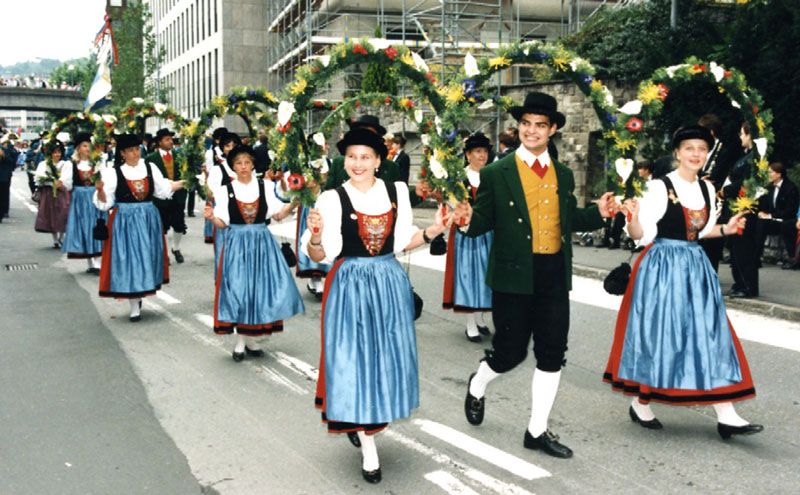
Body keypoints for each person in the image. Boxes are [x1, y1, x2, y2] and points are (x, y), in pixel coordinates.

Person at [454, 92, 614, 459]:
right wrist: (464, 220)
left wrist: (599, 213)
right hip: (513, 276)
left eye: (540, 125)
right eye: (526, 124)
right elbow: (481, 223)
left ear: (552, 129)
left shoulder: (562, 173)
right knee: (509, 354)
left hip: (553, 272)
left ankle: (536, 430)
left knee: (552, 354)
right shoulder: (497, 173)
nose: (532, 131)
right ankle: (479, 382)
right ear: (519, 127)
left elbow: (569, 217)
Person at [301, 127, 450, 484]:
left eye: (365, 156)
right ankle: (369, 447)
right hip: (350, 284)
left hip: (387, 282)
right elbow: (317, 254)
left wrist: (434, 231)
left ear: (379, 161)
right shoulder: (332, 199)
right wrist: (317, 236)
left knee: (384, 358)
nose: (357, 163)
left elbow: (402, 242)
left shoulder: (395, 192)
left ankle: (364, 421)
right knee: (355, 359)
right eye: (351, 156)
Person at [603, 125, 763, 440]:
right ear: (677, 152)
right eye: (689, 148)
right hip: (661, 268)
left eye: (701, 149)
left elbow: (700, 232)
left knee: (711, 334)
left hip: (696, 268)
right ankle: (640, 401)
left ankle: (726, 413)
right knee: (660, 336)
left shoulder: (706, 189)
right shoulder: (658, 188)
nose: (696, 154)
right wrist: (632, 216)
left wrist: (726, 229)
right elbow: (640, 236)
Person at [204, 145, 303, 361]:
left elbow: (277, 214)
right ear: (233, 167)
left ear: (252, 165)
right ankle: (241, 342)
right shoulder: (225, 190)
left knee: (259, 290)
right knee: (239, 290)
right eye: (239, 163)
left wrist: (295, 201)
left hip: (261, 243)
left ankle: (251, 340)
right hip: (237, 244)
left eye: (247, 162)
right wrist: (211, 217)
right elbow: (223, 223)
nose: (243, 167)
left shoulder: (265, 187)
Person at [93, 134, 184, 322]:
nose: (135, 153)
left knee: (147, 257)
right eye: (130, 151)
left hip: (148, 218)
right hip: (125, 221)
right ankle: (134, 304)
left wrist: (186, 182)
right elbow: (105, 203)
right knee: (131, 259)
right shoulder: (114, 172)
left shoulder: (150, 167)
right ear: (123, 154)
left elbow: (163, 190)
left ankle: (139, 294)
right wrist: (100, 190)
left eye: (137, 149)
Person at [443, 132, 494, 342]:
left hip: (490, 233)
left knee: (485, 278)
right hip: (467, 234)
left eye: (484, 151)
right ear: (468, 154)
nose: (482, 156)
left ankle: (480, 318)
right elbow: (451, 204)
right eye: (477, 152)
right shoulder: (459, 179)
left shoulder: (493, 175)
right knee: (468, 277)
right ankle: (470, 323)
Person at [60, 132, 104, 272]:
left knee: (97, 227)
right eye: (84, 146)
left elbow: (104, 180)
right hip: (80, 201)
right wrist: (60, 184)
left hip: (94, 198)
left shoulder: (97, 163)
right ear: (78, 148)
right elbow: (67, 184)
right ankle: (91, 262)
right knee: (84, 229)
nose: (87, 148)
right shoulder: (71, 165)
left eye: (89, 146)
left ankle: (97, 261)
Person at [725, 122, 758, 298]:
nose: (740, 137)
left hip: (746, 206)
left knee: (745, 247)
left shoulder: (754, 157)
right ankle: (740, 282)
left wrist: (726, 190)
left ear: (749, 134)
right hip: (737, 204)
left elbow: (746, 181)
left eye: (742, 134)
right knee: (737, 247)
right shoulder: (745, 156)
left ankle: (748, 285)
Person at [324, 115, 402, 190]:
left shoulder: (391, 168)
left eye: (370, 135)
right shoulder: (339, 163)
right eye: (362, 133)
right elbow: (328, 190)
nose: (365, 137)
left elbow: (399, 198)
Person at [146, 129, 188, 264]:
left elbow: (186, 172)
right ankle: (163, 253)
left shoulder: (180, 155)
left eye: (171, 139)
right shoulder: (151, 158)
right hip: (160, 199)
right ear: (159, 142)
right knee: (162, 226)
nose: (170, 142)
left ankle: (176, 248)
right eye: (167, 139)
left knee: (179, 225)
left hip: (178, 196)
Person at [757, 162, 799, 268]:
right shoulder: (769, 187)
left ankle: (791, 258)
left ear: (779, 174)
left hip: (787, 219)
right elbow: (763, 205)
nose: (768, 174)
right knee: (759, 224)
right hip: (774, 220)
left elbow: (790, 211)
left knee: (787, 226)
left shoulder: (790, 188)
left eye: (770, 172)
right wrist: (761, 212)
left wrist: (771, 215)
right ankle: (756, 258)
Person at [34, 140, 71, 247]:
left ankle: (62, 237)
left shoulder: (65, 164)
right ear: (50, 153)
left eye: (59, 152)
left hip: (61, 192)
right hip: (48, 193)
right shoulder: (43, 164)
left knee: (63, 213)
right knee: (51, 215)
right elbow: (38, 179)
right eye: (54, 152)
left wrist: (61, 182)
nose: (57, 154)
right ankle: (55, 239)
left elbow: (67, 178)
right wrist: (49, 181)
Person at [0, 134, 20, 222]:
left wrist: (4, 155)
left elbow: (13, 160)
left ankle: (4, 211)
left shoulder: (8, 149)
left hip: (4, 175)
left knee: (4, 194)